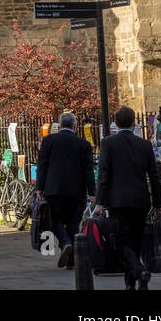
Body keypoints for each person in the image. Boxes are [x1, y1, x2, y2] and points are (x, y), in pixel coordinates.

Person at [96, 106, 161, 290]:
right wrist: (159, 204)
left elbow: (104, 174)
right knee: (135, 241)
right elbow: (154, 176)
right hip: (140, 201)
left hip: (118, 201)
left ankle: (140, 271)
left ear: (115, 123)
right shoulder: (144, 145)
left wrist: (100, 202)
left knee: (122, 242)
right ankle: (130, 284)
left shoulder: (108, 143)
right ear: (134, 122)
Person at [36, 112, 96, 268]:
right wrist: (92, 193)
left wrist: (39, 187)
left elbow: (42, 165)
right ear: (75, 126)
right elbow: (89, 170)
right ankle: (71, 261)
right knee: (73, 224)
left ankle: (65, 243)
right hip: (76, 191)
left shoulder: (49, 140)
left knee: (54, 220)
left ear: (60, 125)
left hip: (53, 189)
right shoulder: (83, 144)